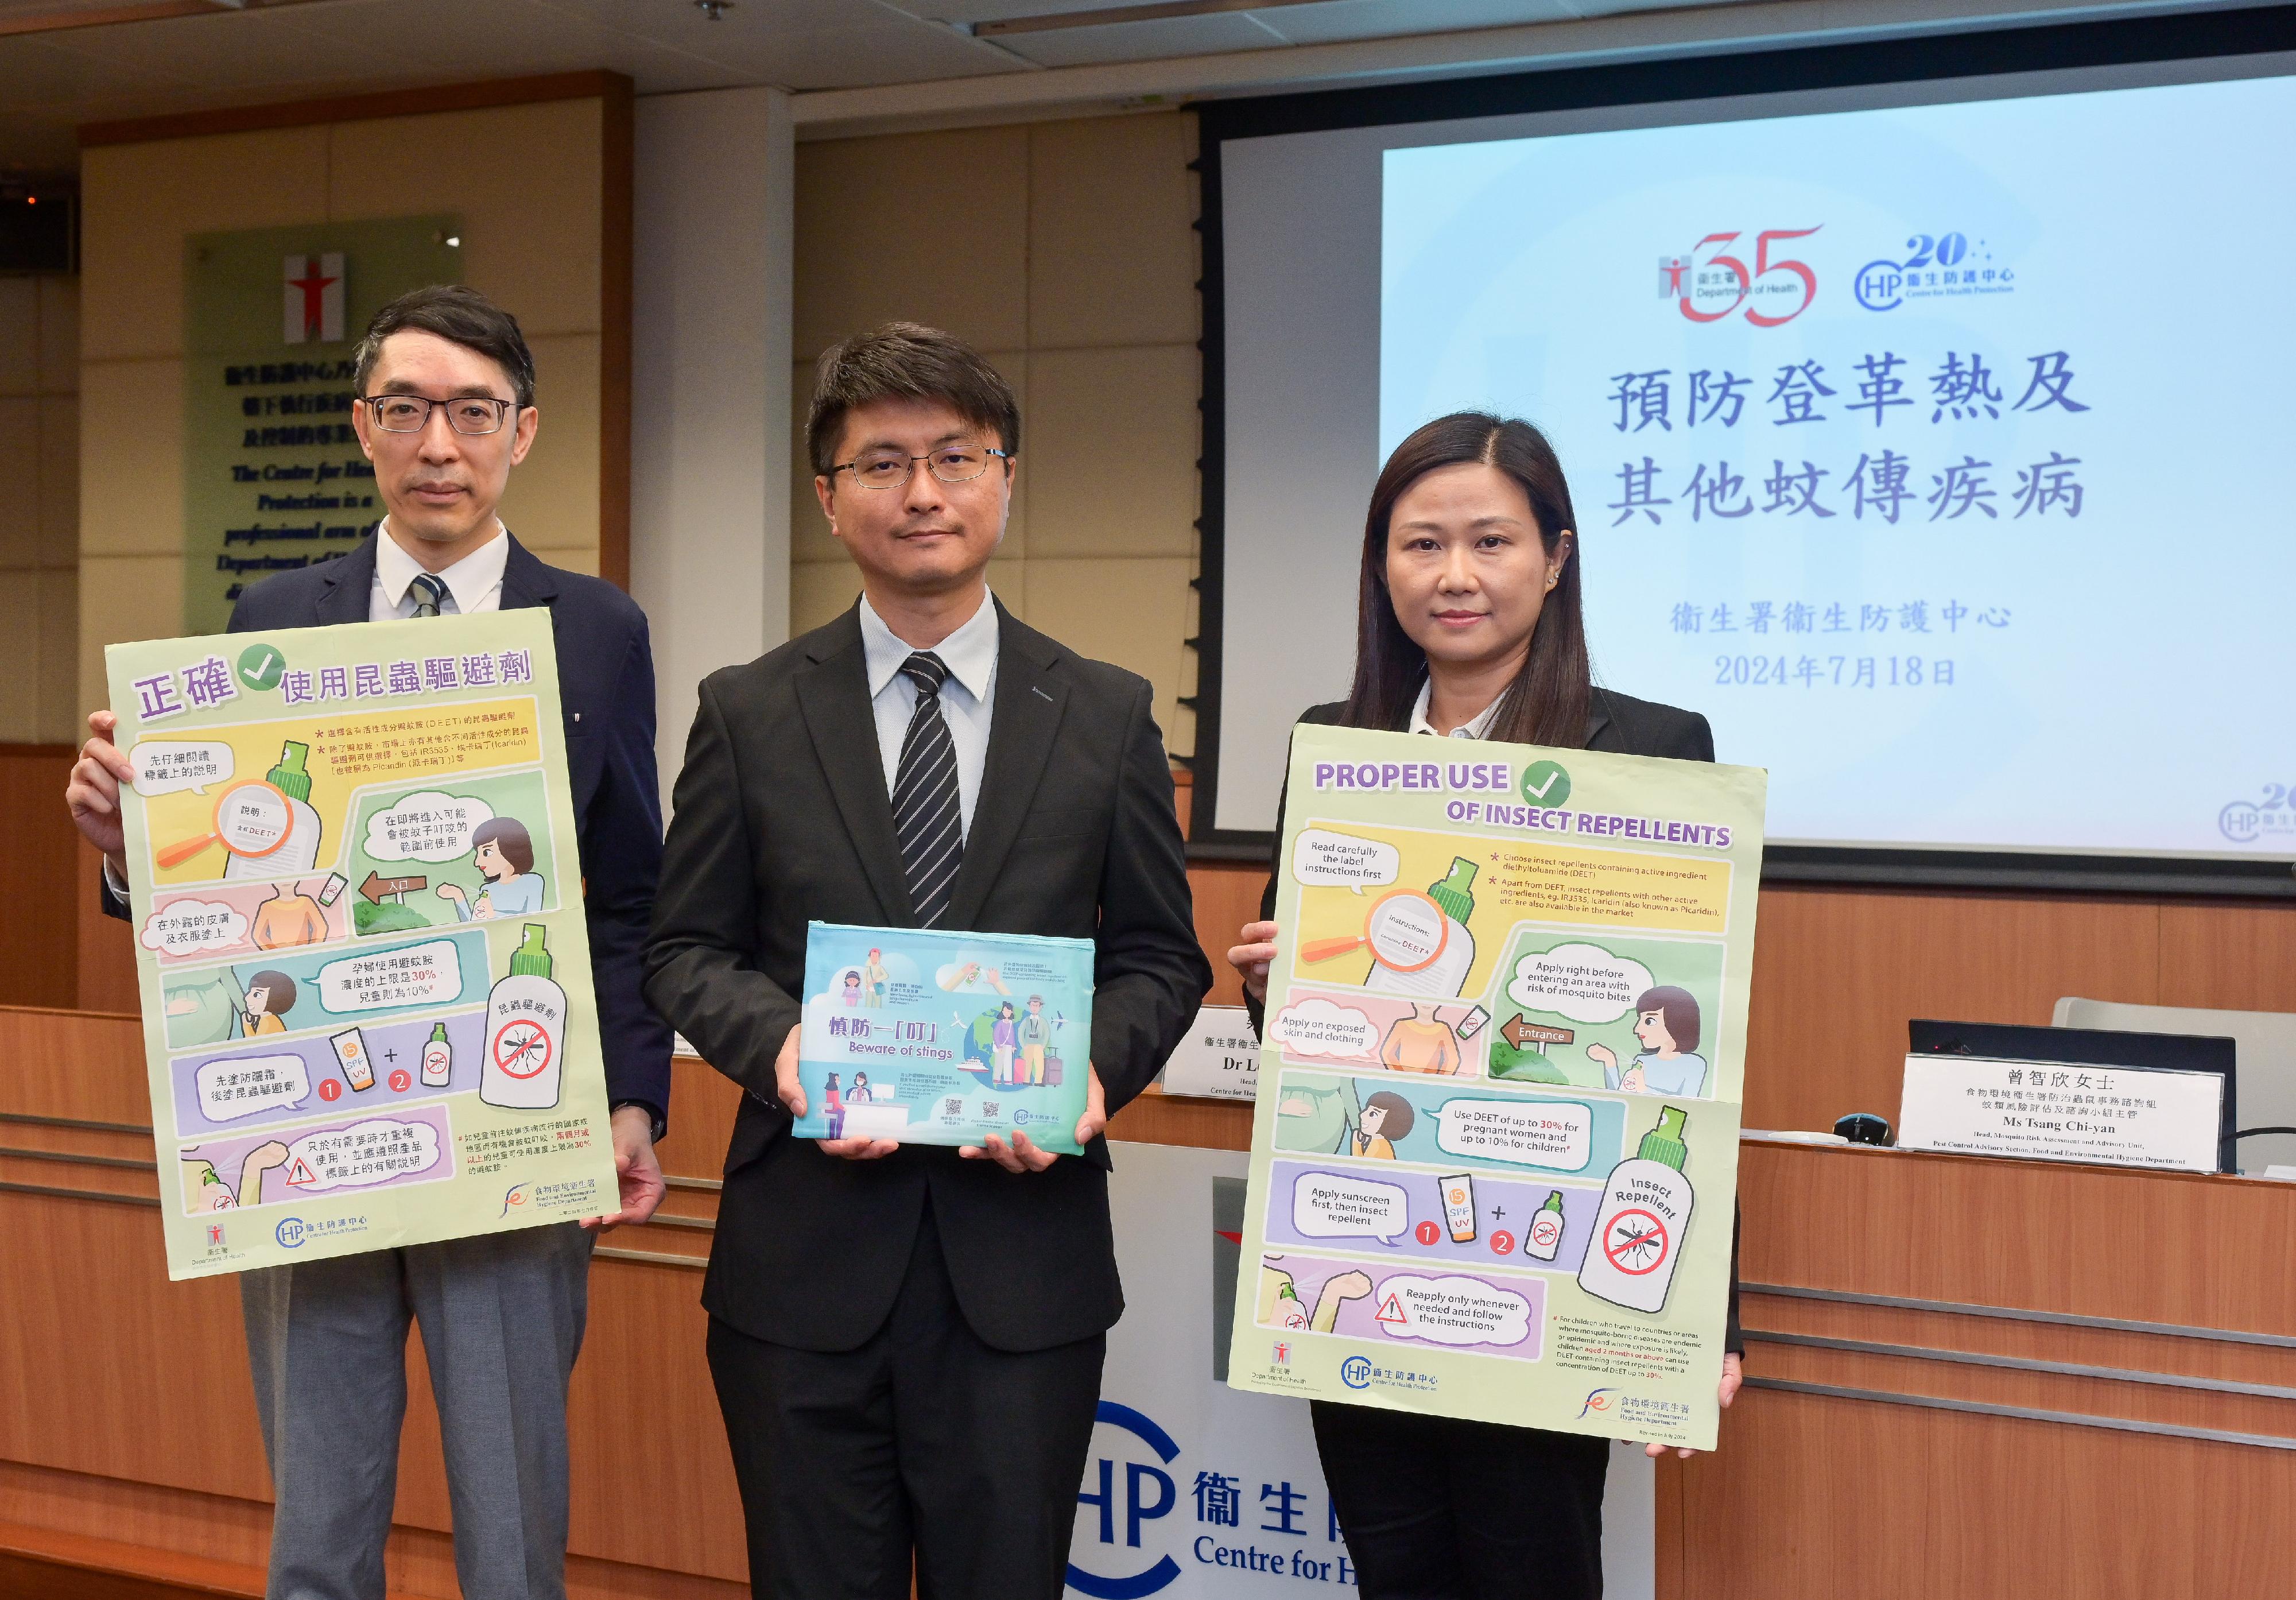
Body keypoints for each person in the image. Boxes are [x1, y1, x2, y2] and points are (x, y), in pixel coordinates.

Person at [63, 284, 671, 1600]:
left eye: (471, 412)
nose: (438, 444)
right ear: (362, 426)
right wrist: (127, 848)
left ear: (524, 433)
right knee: (319, 1525)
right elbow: (220, 872)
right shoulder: (273, 618)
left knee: (515, 1526)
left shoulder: (601, 631)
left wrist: (631, 1096)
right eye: (406, 411)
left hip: (511, 1119)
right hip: (312, 1136)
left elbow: (626, 896)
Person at [643, 321, 1209, 1600]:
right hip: (803, 1271)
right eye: (882, 461)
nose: (922, 491)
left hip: (1022, 1268)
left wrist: (1081, 1075)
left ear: (1006, 475)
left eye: (955, 455)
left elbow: (1158, 961)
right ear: (829, 497)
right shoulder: (749, 707)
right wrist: (783, 1052)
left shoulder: (1107, 711)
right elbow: (682, 945)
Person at [1227, 412, 1744, 1600]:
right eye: (1419, 545)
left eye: (1489, 542)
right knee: (1393, 1571)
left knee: (1533, 1573)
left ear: (1554, 558)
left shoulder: (1650, 750)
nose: (1453, 575)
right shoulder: (1336, 744)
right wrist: (1273, 985)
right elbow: (1311, 1040)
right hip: (1368, 1245)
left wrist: (1698, 1314)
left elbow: (1688, 1055)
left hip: (1548, 1266)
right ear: (1380, 565)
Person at [1589, 985, 1709, 1095]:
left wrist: (1644, 1089)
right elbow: (1621, 1096)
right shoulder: (1642, 1060)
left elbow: (1687, 1105)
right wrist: (1610, 1062)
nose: (1637, 1029)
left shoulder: (1694, 1064)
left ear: (1677, 1022)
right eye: (1640, 1020)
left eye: (1649, 1021)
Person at [437, 816, 546, 921]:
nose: (477, 862)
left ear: (512, 848)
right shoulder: (487, 889)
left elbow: (534, 921)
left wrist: (494, 915)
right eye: (478, 853)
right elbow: (475, 924)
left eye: (486, 852)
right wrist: (458, 896)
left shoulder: (533, 881)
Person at [1379, 1000, 1461, 1075]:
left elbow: (1453, 1060)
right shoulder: (1402, 1025)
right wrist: (1401, 1075)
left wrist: (1438, 1079)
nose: (1427, 1003)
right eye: (1422, 999)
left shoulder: (1443, 1029)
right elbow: (1387, 1053)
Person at [1350, 1090, 1413, 1159]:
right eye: (1367, 1110)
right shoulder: (1375, 1141)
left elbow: (1360, 1166)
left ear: (1389, 1123)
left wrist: (1356, 1142)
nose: (1362, 1115)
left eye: (1373, 1114)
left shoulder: (1379, 1144)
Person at [240, 970, 297, 1036]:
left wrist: (246, 1025)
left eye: (257, 995)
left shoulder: (268, 1021)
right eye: (250, 992)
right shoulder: (266, 1019)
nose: (246, 998)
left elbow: (255, 1044)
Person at [991, 1001, 1019, 1086]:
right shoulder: (1000, 1023)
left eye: (1009, 1011)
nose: (1007, 1012)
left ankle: (1008, 1080)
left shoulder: (1011, 1023)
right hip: (1001, 1046)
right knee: (999, 1063)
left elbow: (1012, 1036)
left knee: (1008, 1063)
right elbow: (996, 1035)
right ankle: (997, 1079)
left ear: (1011, 1012)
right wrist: (999, 1046)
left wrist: (1014, 1046)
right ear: (1002, 1011)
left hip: (1009, 1046)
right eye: (1005, 1010)